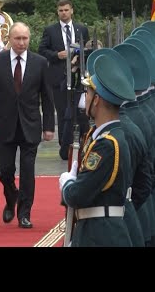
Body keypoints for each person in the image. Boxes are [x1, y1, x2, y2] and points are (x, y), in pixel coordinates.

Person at [0, 22, 55, 228]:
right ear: (10, 39)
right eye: (17, 38)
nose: (22, 42)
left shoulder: (40, 62)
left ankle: (25, 213)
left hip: (30, 124)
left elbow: (47, 97)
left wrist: (49, 126)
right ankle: (11, 197)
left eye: (25, 38)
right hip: (4, 124)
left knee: (28, 170)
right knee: (5, 169)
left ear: (30, 39)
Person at [59, 53, 136, 247]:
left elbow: (78, 195)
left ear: (97, 100)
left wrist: (67, 184)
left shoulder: (106, 144)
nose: (85, 97)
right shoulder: (106, 136)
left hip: (101, 235)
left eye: (88, 92)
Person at [38, 0, 90, 160]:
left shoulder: (81, 29)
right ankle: (64, 147)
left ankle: (82, 144)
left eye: (66, 10)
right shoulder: (50, 30)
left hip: (79, 78)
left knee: (80, 112)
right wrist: (57, 55)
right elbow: (42, 50)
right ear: (57, 12)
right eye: (60, 10)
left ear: (72, 10)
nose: (63, 13)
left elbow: (88, 49)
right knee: (62, 113)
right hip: (58, 78)